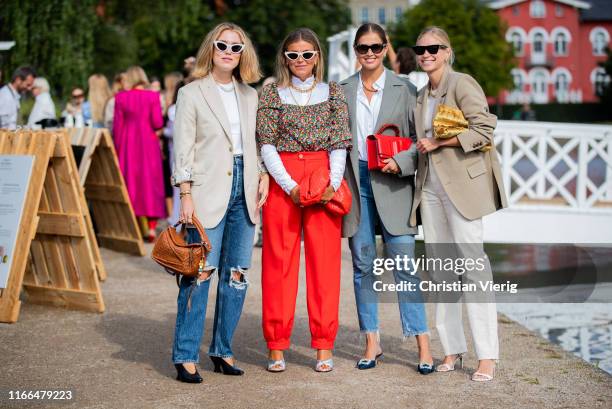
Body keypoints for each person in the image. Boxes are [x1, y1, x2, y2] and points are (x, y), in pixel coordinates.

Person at [171, 22, 268, 383]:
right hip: (206, 188)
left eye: (236, 47)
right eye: (222, 45)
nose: (228, 52)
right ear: (211, 48)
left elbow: (255, 144)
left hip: (246, 187)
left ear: (244, 53)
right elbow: (183, 148)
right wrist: (185, 194)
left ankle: (222, 350)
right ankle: (184, 355)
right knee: (199, 274)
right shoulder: (191, 93)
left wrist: (263, 177)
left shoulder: (250, 95)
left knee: (238, 274)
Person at [410, 26, 508, 382]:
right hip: (431, 191)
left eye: (433, 48)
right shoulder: (421, 96)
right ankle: (452, 349)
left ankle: (487, 356)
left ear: (447, 51)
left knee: (473, 267)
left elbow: (484, 129)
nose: (426, 54)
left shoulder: (462, 84)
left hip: (463, 190)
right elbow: (419, 146)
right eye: (420, 50)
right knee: (441, 271)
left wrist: (441, 142)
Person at [339, 23, 434, 374]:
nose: (369, 54)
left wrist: (403, 160)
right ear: (355, 50)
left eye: (376, 47)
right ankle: (371, 341)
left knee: (405, 267)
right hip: (358, 183)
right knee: (363, 266)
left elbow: (420, 140)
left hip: (394, 182)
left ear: (385, 47)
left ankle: (422, 343)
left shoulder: (406, 89)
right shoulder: (342, 90)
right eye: (363, 48)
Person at [257, 28, 351, 373]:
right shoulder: (271, 94)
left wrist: (333, 183)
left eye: (307, 54)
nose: (300, 60)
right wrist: (288, 185)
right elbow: (266, 143)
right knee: (277, 265)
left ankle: (324, 345)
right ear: (284, 57)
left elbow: (339, 141)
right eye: (293, 54)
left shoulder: (334, 93)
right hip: (284, 177)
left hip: (323, 174)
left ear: (317, 57)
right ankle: (277, 344)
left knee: (324, 265)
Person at [113, 66, 166, 242]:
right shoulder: (153, 96)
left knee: (131, 182)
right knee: (150, 183)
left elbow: (117, 127)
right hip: (148, 143)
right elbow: (157, 122)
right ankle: (151, 229)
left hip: (127, 144)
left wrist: (118, 148)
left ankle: (134, 225)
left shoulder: (120, 97)